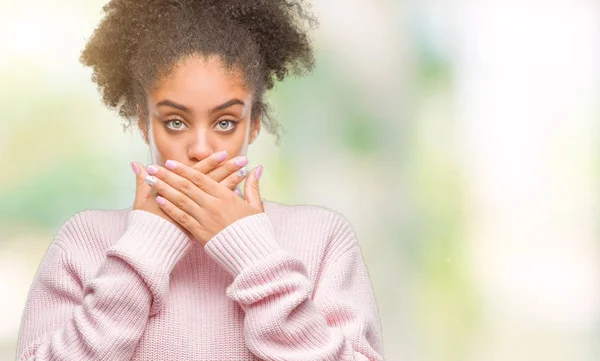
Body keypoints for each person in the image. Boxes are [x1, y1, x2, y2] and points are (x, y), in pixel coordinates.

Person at [15, 0, 384, 360]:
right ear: (144, 122)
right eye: (176, 122)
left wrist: (253, 252)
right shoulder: (82, 241)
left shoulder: (322, 238)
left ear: (253, 124)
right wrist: (144, 245)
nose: (201, 149)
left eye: (225, 122)